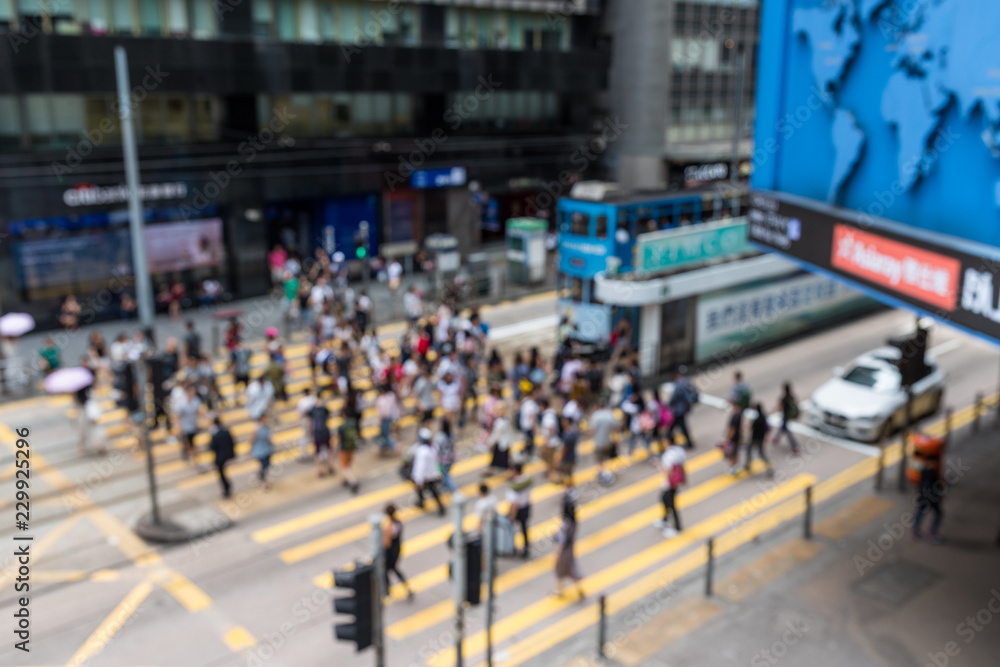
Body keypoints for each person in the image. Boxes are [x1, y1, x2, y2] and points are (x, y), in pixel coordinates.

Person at [553, 478, 584, 600]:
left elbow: (561, 541)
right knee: (572, 571)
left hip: (564, 552)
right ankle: (579, 589)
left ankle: (559, 591)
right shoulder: (574, 522)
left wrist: (558, 554)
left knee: (559, 571)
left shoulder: (565, 524)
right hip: (570, 551)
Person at [655, 439, 686, 538]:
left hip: (669, 484)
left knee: (670, 504)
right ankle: (664, 520)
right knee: (664, 500)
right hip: (676, 482)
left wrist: (658, 465)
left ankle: (677, 528)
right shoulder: (679, 451)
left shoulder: (668, 455)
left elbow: (668, 472)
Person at [381, 504, 414, 599]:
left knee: (385, 571)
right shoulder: (399, 522)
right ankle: (407, 587)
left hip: (389, 552)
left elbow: (386, 544)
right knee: (395, 569)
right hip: (397, 549)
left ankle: (387, 591)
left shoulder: (388, 527)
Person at [412, 428, 445, 516]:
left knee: (426, 490)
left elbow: (420, 467)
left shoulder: (422, 451)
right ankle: (438, 506)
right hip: (433, 474)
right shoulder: (433, 447)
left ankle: (422, 503)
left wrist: (419, 479)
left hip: (425, 476)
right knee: (433, 491)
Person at [913, 456, 945, 543]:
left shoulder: (923, 471)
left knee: (920, 513)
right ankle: (932, 533)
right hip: (931, 498)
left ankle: (915, 532)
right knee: (938, 514)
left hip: (923, 497)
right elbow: (935, 486)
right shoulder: (931, 473)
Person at [506, 464, 533, 559]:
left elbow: (514, 504)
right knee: (524, 529)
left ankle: (510, 548)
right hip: (526, 507)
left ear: (515, 471)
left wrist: (512, 517)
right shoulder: (527, 479)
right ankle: (526, 549)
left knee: (510, 529)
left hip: (518, 510)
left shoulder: (515, 486)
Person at [667, 367, 698, 449]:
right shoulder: (686, 380)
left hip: (678, 410)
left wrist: (668, 404)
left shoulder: (679, 383)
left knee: (672, 428)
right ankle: (689, 442)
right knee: (682, 426)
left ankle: (673, 443)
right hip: (684, 407)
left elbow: (675, 396)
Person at [591, 401, 618, 486]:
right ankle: (607, 472)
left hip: (599, 442)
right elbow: (614, 427)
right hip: (608, 441)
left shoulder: (596, 416)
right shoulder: (609, 414)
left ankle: (604, 474)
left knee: (600, 460)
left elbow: (592, 430)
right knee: (607, 458)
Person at [485, 402, 515, 475]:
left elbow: (496, 434)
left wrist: (490, 442)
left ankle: (512, 473)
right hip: (506, 442)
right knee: (499, 458)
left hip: (502, 443)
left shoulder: (499, 422)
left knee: (503, 459)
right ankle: (490, 469)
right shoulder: (506, 420)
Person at [177, 384, 203, 468]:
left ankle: (185, 452)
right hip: (185, 428)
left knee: (189, 444)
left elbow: (199, 411)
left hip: (193, 426)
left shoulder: (196, 400)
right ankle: (197, 462)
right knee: (192, 445)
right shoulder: (182, 403)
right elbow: (176, 416)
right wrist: (179, 427)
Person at [208, 417, 235, 498]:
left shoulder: (215, 435)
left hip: (220, 457)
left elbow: (211, 447)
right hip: (228, 454)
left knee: (221, 474)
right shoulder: (226, 431)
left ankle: (227, 488)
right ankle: (227, 486)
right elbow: (232, 442)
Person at [773, 382, 801, 455]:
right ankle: (776, 439)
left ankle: (795, 446)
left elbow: (778, 407)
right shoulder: (791, 396)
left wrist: (772, 411)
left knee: (787, 432)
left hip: (785, 416)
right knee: (782, 428)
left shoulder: (784, 398)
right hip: (788, 416)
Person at [336, 412, 361, 494]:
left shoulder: (341, 427)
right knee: (348, 465)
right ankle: (346, 479)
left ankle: (353, 482)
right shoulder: (353, 423)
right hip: (352, 447)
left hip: (344, 448)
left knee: (344, 468)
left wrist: (335, 449)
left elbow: (339, 439)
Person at [746, 402, 772, 475]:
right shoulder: (763, 417)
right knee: (761, 452)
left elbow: (751, 428)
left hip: (755, 438)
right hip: (761, 438)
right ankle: (768, 465)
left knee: (749, 450)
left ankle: (747, 465)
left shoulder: (757, 419)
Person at [250, 413, 275, 490]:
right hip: (259, 450)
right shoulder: (257, 428)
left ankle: (262, 476)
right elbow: (252, 439)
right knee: (264, 465)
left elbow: (270, 438)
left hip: (267, 449)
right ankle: (264, 482)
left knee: (267, 465)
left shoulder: (268, 427)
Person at [311, 398, 334, 478]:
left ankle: (320, 469)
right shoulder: (324, 408)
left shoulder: (313, 409)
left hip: (318, 434)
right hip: (325, 432)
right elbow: (329, 416)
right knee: (328, 450)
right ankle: (329, 466)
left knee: (318, 452)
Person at [375, 384, 401, 456]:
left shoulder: (381, 399)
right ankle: (382, 449)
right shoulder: (390, 397)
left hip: (385, 419)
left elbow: (381, 412)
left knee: (385, 435)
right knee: (384, 434)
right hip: (389, 418)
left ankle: (395, 447)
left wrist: (379, 422)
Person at [296, 387, 318, 463]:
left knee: (308, 437)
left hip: (310, 419)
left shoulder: (305, 400)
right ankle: (305, 454)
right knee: (309, 437)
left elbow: (299, 413)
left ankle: (304, 454)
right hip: (311, 419)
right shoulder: (313, 399)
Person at [435, 418, 457, 492]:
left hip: (443, 459)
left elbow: (436, 449)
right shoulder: (452, 434)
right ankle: (444, 484)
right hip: (451, 457)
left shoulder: (439, 437)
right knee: (446, 473)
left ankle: (454, 489)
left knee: (445, 474)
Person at [724, 400, 744, 474]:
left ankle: (733, 468)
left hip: (734, 438)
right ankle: (735, 466)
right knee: (734, 453)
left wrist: (728, 439)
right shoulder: (740, 412)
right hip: (738, 437)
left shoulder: (736, 415)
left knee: (731, 454)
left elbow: (733, 429)